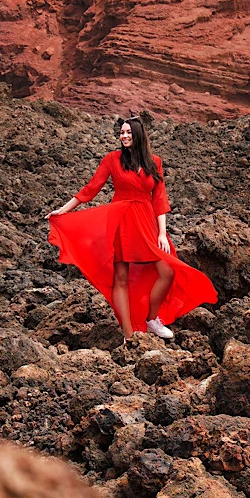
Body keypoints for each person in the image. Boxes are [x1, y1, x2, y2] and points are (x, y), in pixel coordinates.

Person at [47, 116, 217, 343]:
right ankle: (128, 336)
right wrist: (63, 210)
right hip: (121, 221)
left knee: (167, 271)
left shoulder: (154, 162)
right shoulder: (112, 159)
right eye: (121, 133)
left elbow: (160, 200)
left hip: (146, 222)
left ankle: (152, 319)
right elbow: (90, 189)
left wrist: (161, 233)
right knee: (121, 279)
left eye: (128, 132)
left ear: (138, 135)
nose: (124, 136)